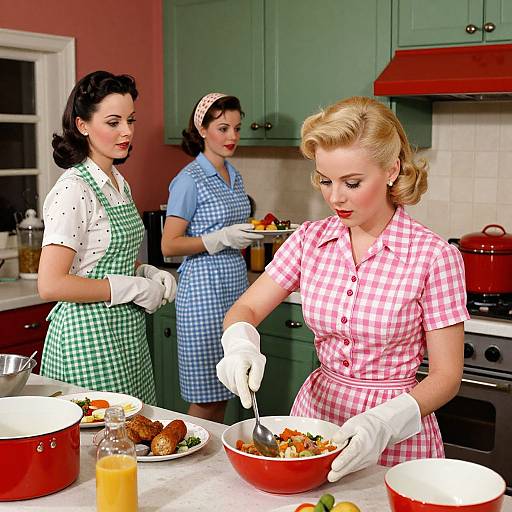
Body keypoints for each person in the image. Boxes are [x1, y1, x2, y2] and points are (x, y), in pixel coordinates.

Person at [216, 96, 469, 479]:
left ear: (391, 170)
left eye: (352, 182)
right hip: (314, 423)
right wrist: (239, 345)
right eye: (325, 180)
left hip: (395, 433)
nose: (335, 197)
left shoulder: (433, 256)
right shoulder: (308, 240)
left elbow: (447, 376)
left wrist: (383, 423)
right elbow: (246, 309)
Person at [38, 71, 176, 404]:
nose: (127, 131)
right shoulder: (74, 189)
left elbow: (103, 257)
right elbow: (51, 284)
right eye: (113, 122)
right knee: (100, 445)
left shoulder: (116, 180)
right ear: (82, 125)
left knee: (136, 438)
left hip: (126, 335)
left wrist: (144, 272)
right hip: (87, 337)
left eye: (130, 120)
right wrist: (128, 287)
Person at [161, 93, 262, 422]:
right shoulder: (189, 180)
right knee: (206, 397)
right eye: (222, 128)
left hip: (234, 287)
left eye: (236, 128)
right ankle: (192, 464)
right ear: (202, 130)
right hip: (203, 292)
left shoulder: (235, 175)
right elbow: (169, 245)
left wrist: (246, 234)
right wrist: (219, 238)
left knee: (230, 388)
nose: (232, 136)